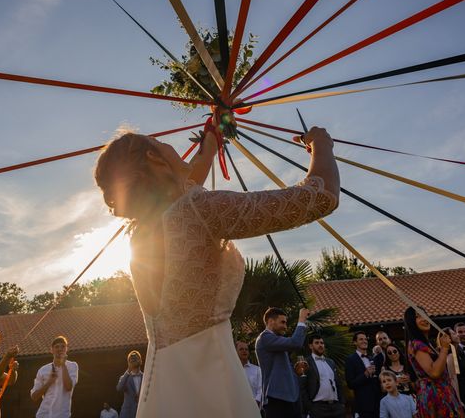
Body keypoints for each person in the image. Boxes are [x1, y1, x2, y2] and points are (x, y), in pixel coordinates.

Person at [94, 119, 339, 418]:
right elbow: (320, 197)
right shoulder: (201, 210)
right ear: (154, 158)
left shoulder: (143, 232)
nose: (175, 149)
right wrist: (322, 144)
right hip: (209, 375)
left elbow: (186, 186)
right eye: (162, 144)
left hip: (165, 378)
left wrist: (211, 143)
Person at [404, 307, 463, 417]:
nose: (424, 319)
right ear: (411, 322)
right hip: (436, 397)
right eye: (418, 316)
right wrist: (445, 348)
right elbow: (434, 372)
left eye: (425, 315)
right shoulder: (417, 344)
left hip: (442, 393)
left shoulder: (425, 343)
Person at [256, 307, 310, 417]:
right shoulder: (265, 337)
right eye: (283, 322)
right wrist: (302, 318)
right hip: (277, 399)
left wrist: (296, 372)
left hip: (291, 399)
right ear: (271, 321)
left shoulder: (275, 340)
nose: (285, 327)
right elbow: (296, 343)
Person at [30, 335, 78, 418]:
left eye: (63, 346)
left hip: (62, 415)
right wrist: (49, 382)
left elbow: (69, 387)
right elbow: (34, 396)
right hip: (43, 414)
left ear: (66, 349)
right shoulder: (43, 370)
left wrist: (63, 364)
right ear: (51, 350)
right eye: (56, 347)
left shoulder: (72, 366)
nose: (60, 349)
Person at [299, 334, 344, 418]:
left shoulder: (331, 362)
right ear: (310, 346)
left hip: (336, 407)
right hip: (318, 408)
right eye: (317, 343)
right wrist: (310, 407)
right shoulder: (305, 362)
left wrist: (341, 403)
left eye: (322, 343)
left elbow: (338, 383)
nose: (320, 345)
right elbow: (302, 387)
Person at [345, 331, 383, 418]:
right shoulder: (350, 360)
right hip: (363, 406)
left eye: (365, 339)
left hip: (378, 404)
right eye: (361, 339)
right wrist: (365, 374)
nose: (364, 341)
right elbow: (350, 384)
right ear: (355, 342)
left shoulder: (371, 358)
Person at [116, 350, 143, 418]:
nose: (134, 360)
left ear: (140, 360)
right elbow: (119, 388)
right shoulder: (124, 378)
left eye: (136, 358)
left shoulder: (145, 377)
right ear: (129, 362)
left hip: (142, 412)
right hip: (127, 413)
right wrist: (128, 370)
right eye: (132, 359)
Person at [236, 341, 262, 408]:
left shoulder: (257, 370)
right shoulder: (231, 370)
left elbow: (261, 389)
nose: (244, 351)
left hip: (253, 408)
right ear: (235, 352)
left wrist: (256, 403)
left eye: (246, 349)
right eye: (241, 349)